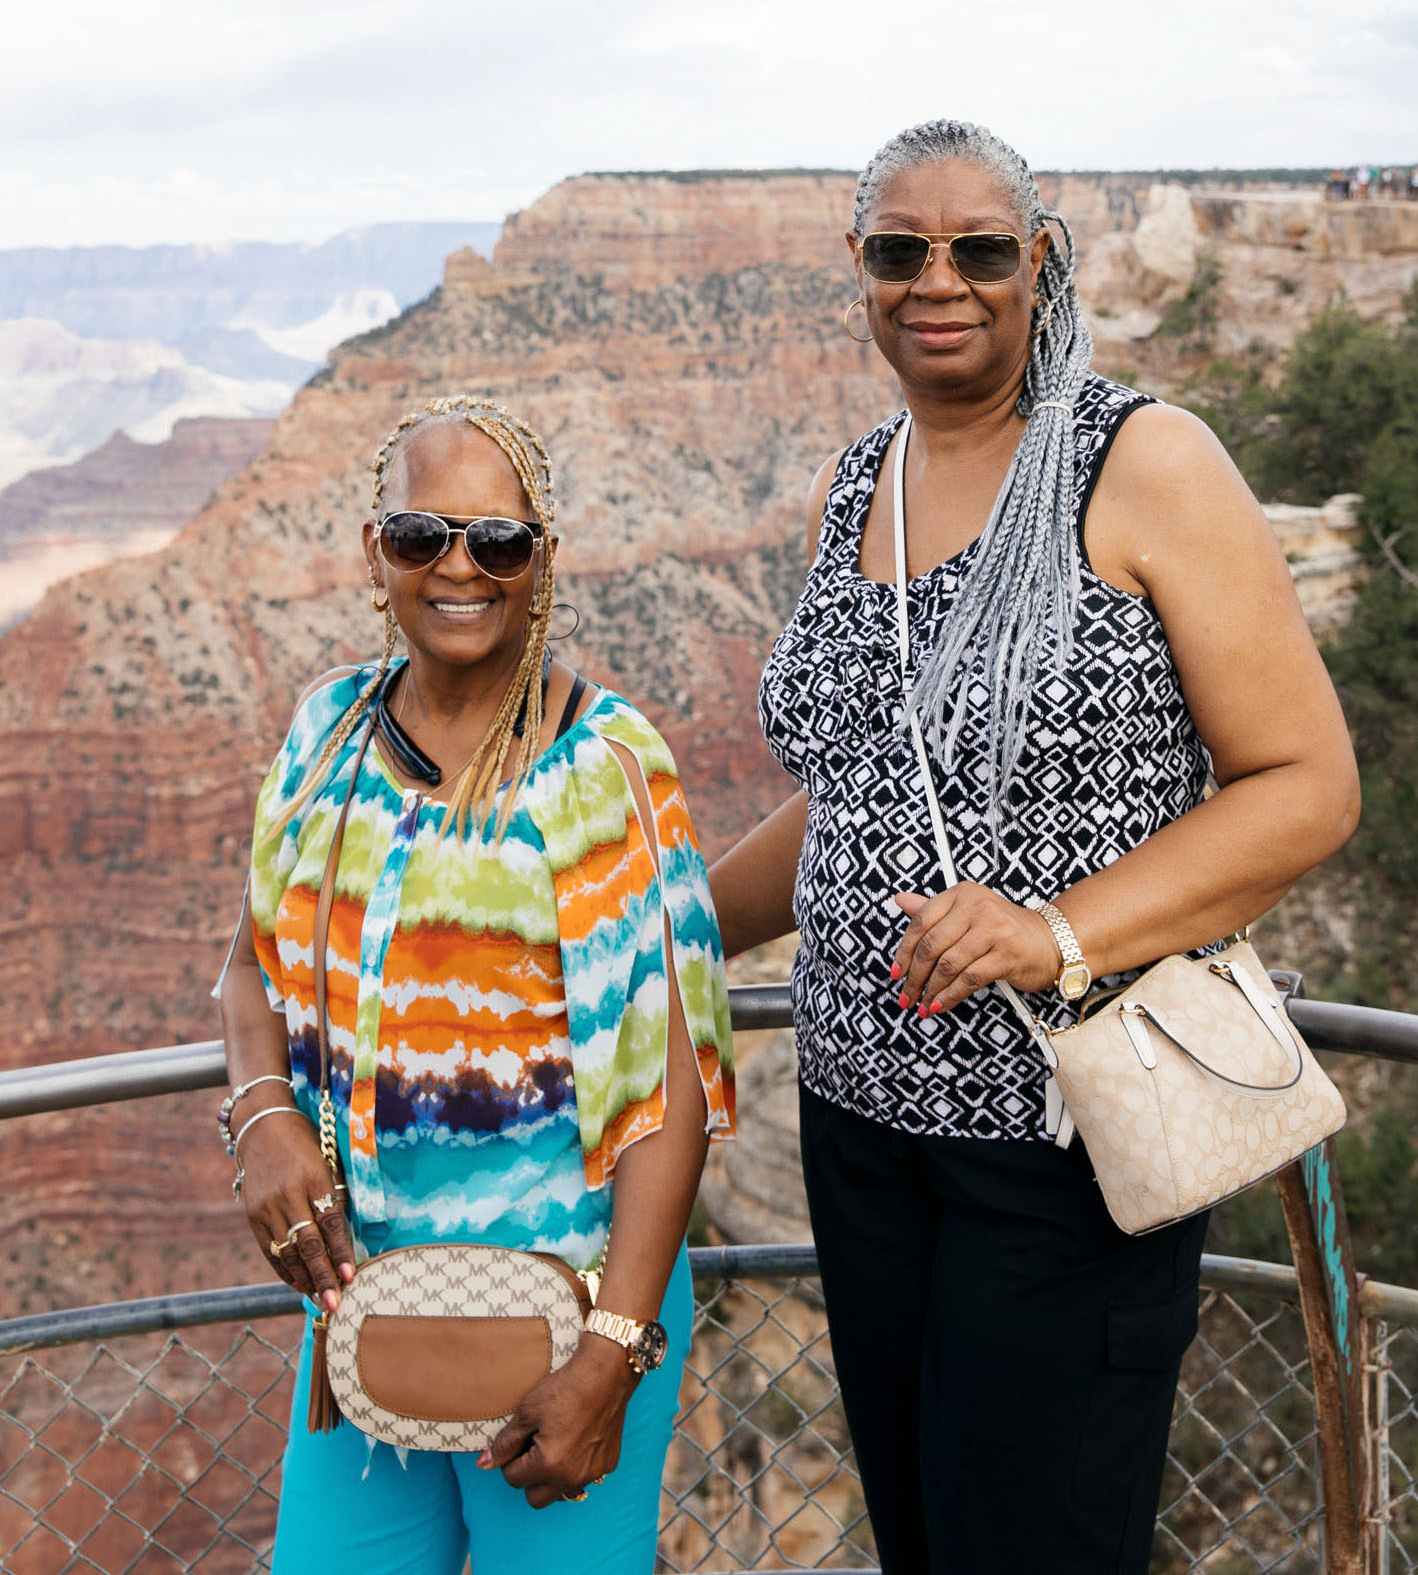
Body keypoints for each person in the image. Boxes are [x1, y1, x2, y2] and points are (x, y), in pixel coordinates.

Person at [710, 119, 1358, 1575]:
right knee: (928, 1543)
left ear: (1038, 262)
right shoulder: (852, 483)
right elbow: (862, 788)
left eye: (980, 250)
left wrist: (1053, 931)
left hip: (1057, 1144)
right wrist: (671, 925)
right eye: (900, 252)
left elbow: (1304, 786)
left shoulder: (1142, 464)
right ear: (861, 270)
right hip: (859, 1138)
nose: (939, 281)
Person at [216, 394, 734, 1575]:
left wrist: (609, 1353)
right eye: (421, 535)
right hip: (364, 1315)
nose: (459, 567)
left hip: (570, 1317)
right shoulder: (325, 735)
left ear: (539, 559)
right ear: (374, 552)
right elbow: (247, 965)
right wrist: (263, 1116)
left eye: (496, 542)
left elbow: (675, 1087)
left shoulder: (602, 767)